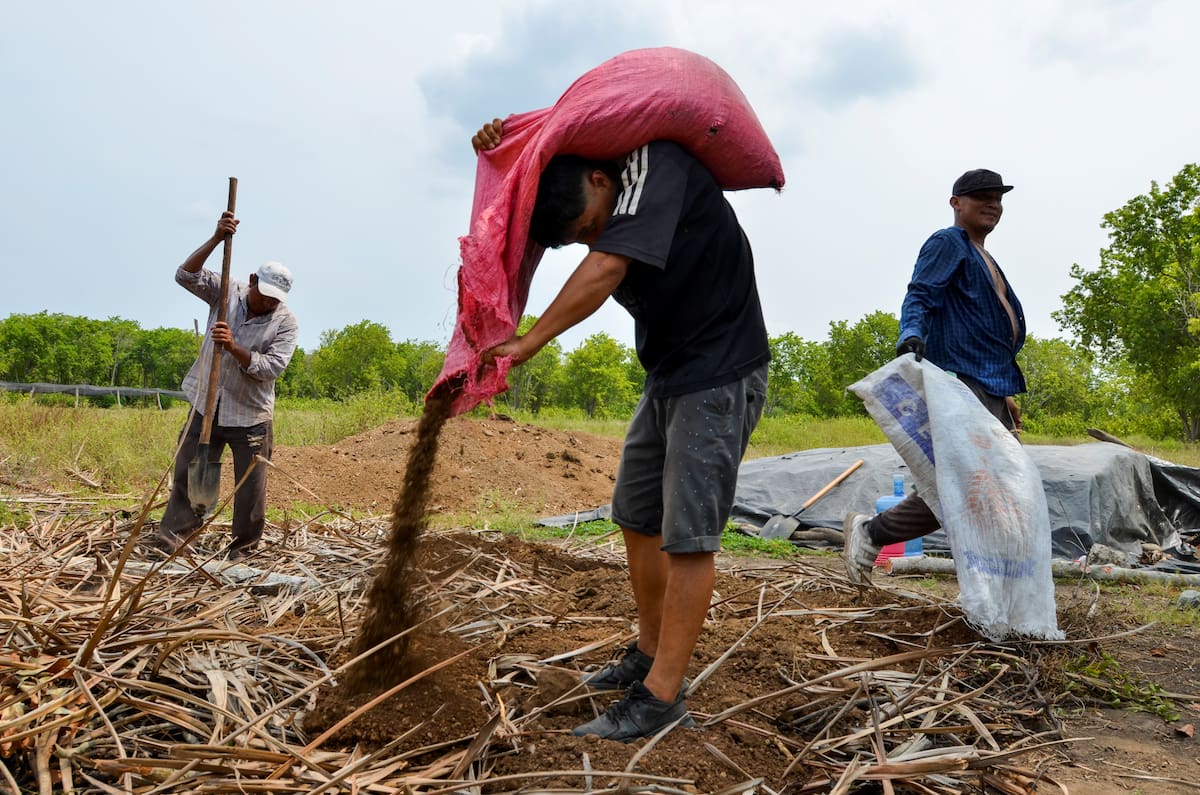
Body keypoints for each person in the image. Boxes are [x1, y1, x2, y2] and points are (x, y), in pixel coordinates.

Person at [473, 119, 770, 741]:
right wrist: (504, 145)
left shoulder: (653, 166)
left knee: (688, 536)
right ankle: (647, 649)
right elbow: (564, 128)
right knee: (637, 513)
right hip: (667, 372)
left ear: (600, 179)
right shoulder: (610, 183)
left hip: (718, 370)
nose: (592, 239)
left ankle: (661, 696)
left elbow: (606, 268)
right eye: (579, 238)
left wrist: (528, 341)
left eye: (586, 226)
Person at [844, 168, 1025, 584]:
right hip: (962, 384)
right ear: (956, 203)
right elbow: (920, 295)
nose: (992, 204)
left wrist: (1004, 393)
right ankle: (875, 533)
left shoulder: (984, 256)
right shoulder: (950, 243)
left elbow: (990, 331)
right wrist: (911, 336)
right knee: (968, 487)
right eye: (981, 196)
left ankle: (985, 578)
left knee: (989, 488)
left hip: (988, 384)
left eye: (998, 197)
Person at [154, 212, 299, 561]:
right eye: (264, 294)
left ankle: (243, 551)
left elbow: (271, 368)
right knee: (190, 473)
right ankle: (173, 543)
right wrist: (217, 237)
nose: (268, 302)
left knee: (251, 487)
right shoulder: (227, 292)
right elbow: (185, 275)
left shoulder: (286, 322)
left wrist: (233, 347)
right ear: (252, 280)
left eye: (275, 298)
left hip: (250, 415)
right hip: (207, 403)